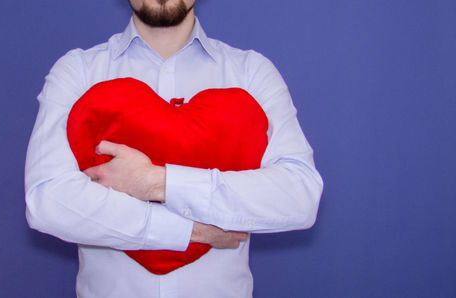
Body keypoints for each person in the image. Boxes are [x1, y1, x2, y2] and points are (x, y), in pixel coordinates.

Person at [24, 0, 323, 297]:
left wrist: (157, 182)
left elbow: (299, 195)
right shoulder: (79, 72)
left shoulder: (251, 73)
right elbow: (48, 200)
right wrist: (188, 231)